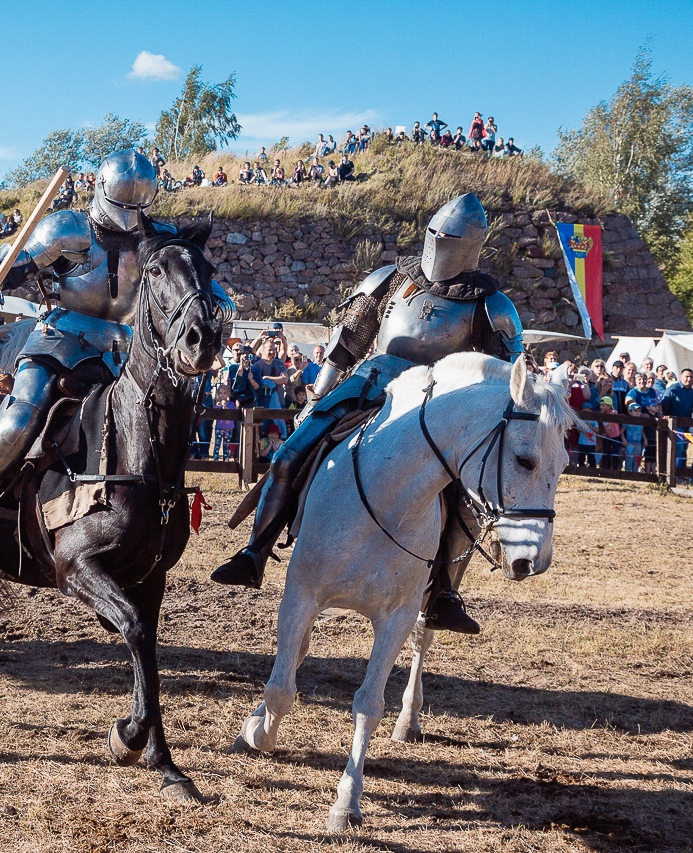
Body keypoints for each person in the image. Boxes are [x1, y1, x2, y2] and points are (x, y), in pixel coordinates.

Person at [213, 193, 522, 637]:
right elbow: (347, 345)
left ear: (471, 243)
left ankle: (444, 594)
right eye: (435, 232)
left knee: (465, 498)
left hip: (436, 398)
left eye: (449, 236)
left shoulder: (490, 305)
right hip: (372, 380)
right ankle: (254, 553)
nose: (439, 242)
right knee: (289, 455)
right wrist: (315, 399)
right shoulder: (391, 280)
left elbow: (505, 375)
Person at [0, 148, 236, 579]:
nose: (129, 217)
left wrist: (215, 304)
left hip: (124, 354)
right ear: (103, 191)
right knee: (18, 423)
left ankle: (149, 519)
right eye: (122, 206)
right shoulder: (69, 229)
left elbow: (199, 284)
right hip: (58, 342)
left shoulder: (158, 238)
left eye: (137, 208)